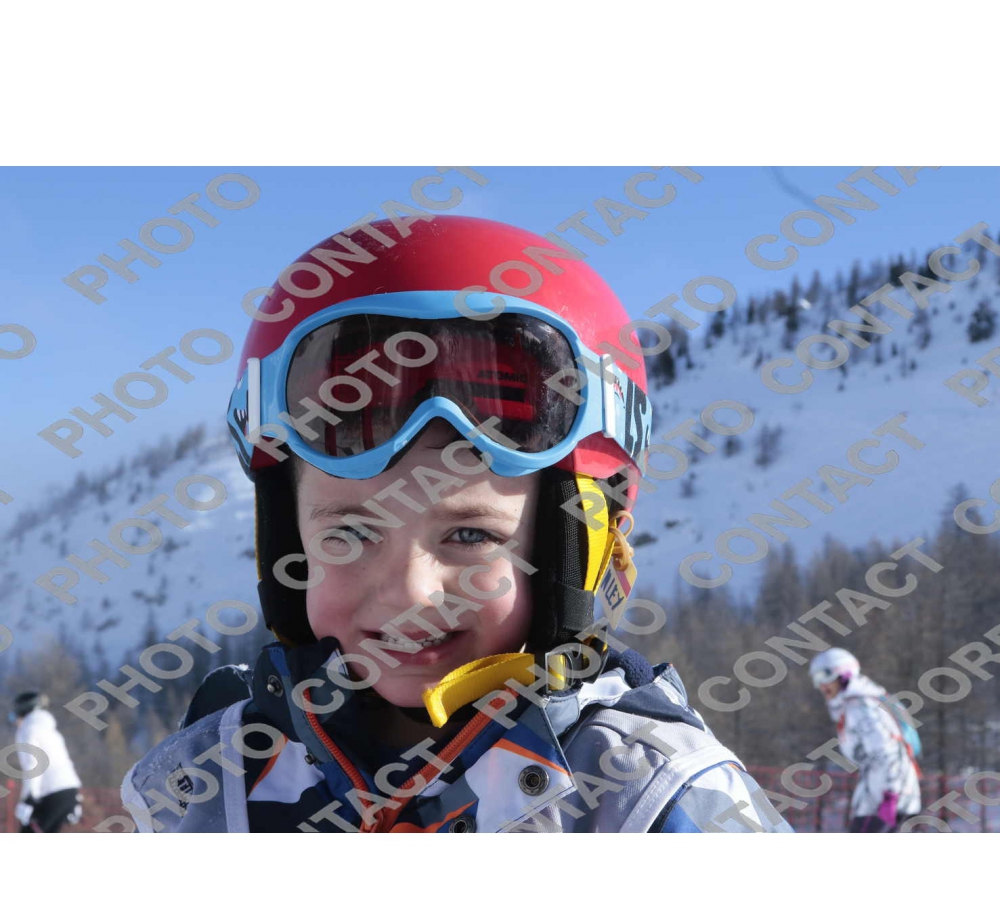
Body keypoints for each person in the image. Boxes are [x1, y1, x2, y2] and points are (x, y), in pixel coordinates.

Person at [122, 214, 791, 833]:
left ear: (582, 549)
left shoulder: (646, 797)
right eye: (349, 535)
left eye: (471, 536)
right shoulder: (205, 788)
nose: (411, 592)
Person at [809, 648, 922, 832]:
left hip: (885, 800)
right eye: (816, 679)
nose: (821, 685)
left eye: (825, 676)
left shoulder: (861, 708)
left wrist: (890, 796)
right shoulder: (865, 701)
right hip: (886, 794)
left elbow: (888, 752)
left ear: (843, 674)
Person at [9, 691, 83, 832]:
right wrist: (76, 799)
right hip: (68, 792)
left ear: (23, 710)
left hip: (51, 794)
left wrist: (29, 798)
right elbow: (65, 763)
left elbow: (33, 765)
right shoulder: (50, 730)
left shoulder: (27, 730)